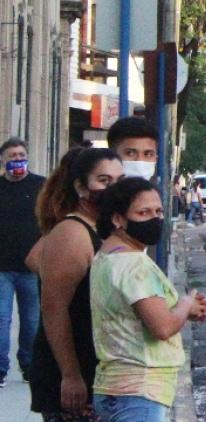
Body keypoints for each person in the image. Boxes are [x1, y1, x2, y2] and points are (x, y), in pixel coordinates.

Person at [91, 178, 206, 422]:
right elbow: (162, 327)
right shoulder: (135, 265)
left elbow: (131, 314)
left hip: (114, 386)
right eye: (143, 213)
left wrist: (181, 311)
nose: (154, 219)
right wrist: (185, 304)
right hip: (140, 391)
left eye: (158, 212)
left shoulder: (107, 256)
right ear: (118, 219)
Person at [25, 147, 123, 422]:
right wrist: (70, 375)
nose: (114, 190)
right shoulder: (72, 233)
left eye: (119, 181)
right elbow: (53, 310)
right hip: (72, 374)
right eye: (104, 181)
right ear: (81, 188)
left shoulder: (99, 228)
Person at [0, 137, 45, 388]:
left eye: (20, 154)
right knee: (1, 318)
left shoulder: (41, 186)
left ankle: (29, 365)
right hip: (2, 268)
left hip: (32, 267)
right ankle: (0, 368)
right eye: (12, 156)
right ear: (3, 161)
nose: (17, 159)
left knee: (31, 320)